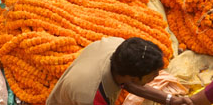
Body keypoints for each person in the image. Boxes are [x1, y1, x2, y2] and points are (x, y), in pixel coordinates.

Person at [47, 37, 175, 105]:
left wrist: (171, 100)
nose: (157, 75)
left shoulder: (118, 46)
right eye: (153, 74)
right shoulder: (92, 98)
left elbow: (130, 85)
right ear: (133, 78)